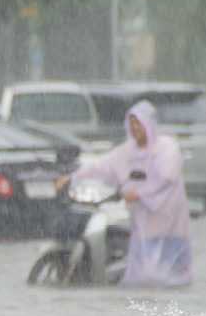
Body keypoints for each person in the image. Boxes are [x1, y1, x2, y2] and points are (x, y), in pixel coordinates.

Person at [55, 100, 191, 287]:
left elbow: (166, 178)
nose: (135, 128)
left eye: (139, 123)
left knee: (173, 280)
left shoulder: (167, 148)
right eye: (132, 123)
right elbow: (100, 165)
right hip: (142, 225)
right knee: (142, 279)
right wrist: (71, 177)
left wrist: (141, 193)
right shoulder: (127, 152)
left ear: (150, 124)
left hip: (170, 223)